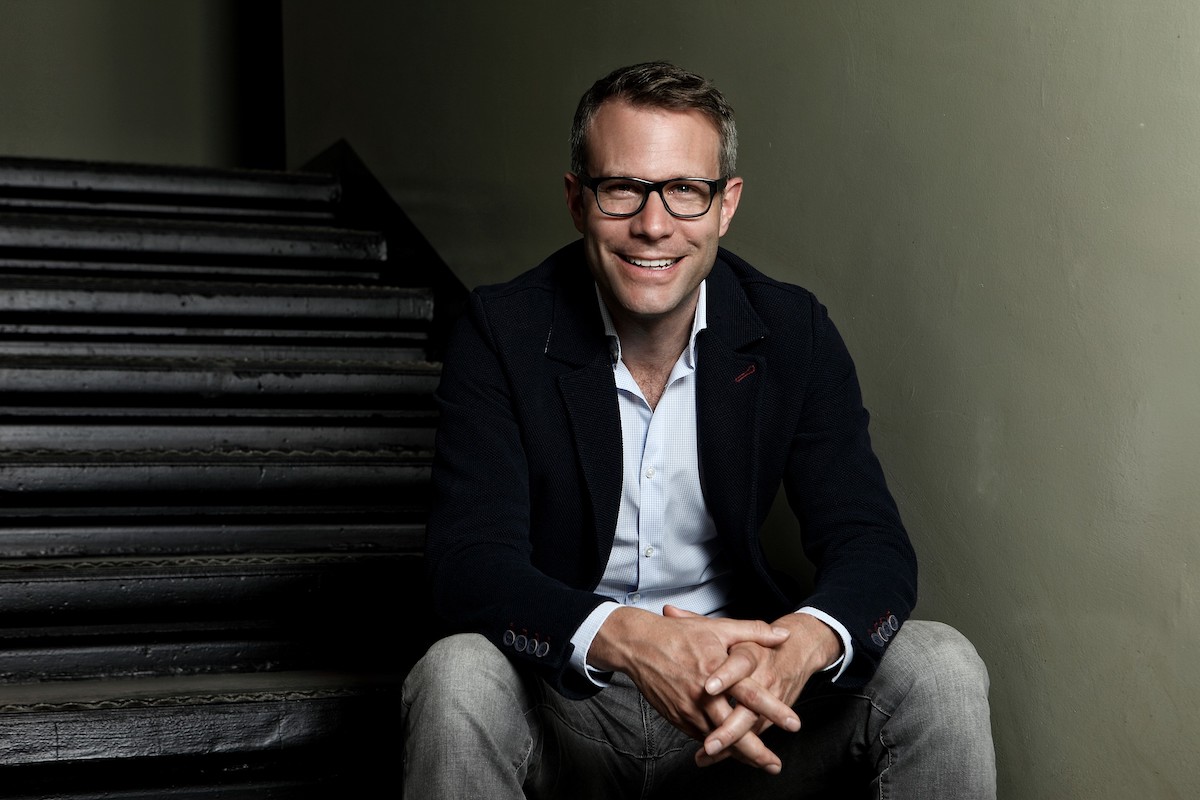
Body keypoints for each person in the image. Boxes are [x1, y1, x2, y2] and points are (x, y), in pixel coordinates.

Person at [402, 61, 996, 799]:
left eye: (686, 190)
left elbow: (871, 542)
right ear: (577, 201)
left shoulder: (793, 331)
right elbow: (467, 562)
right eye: (622, 188)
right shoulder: (503, 331)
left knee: (940, 664)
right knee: (455, 674)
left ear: (726, 205)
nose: (654, 225)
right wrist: (631, 638)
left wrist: (799, 646)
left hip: (747, 699)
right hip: (572, 702)